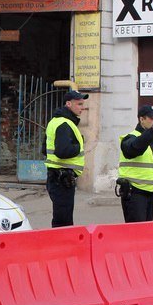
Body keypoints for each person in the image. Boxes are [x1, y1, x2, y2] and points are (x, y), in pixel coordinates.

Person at [43, 90, 88, 228]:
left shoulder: (56, 121)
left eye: (83, 104)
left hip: (57, 177)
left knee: (61, 218)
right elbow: (62, 151)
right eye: (79, 104)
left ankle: (61, 245)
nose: (82, 107)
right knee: (63, 221)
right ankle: (61, 247)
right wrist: (78, 147)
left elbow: (44, 149)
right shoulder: (65, 124)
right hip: (61, 178)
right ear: (68, 104)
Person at [116, 104, 153, 223]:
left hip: (149, 195)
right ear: (141, 119)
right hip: (134, 194)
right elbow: (135, 148)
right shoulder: (129, 138)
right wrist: (152, 131)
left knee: (146, 236)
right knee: (135, 235)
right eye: (151, 118)